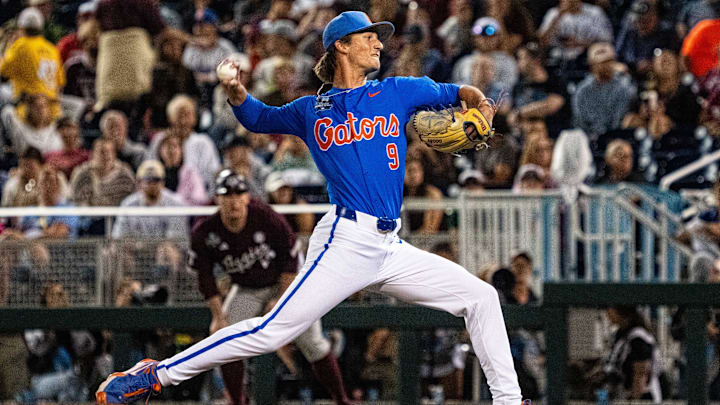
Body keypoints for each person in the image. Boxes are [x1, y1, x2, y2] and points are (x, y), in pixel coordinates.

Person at [96, 11, 523, 405]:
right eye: (369, 37)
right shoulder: (310, 110)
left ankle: (508, 400)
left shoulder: (398, 90)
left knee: (482, 297)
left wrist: (481, 106)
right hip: (346, 241)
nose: (378, 44)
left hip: (391, 247)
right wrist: (235, 89)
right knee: (271, 331)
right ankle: (155, 375)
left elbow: (460, 92)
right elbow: (258, 118)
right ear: (341, 45)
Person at [182, 169, 353, 404]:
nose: (233, 201)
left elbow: (292, 260)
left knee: (314, 343)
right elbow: (205, 276)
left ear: (247, 197)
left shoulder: (265, 216)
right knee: (224, 338)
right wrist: (217, 315)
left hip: (289, 284)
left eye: (238, 194)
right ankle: (237, 400)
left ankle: (341, 399)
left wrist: (281, 300)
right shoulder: (206, 231)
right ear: (218, 199)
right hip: (247, 288)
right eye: (227, 195)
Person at [572, 43, 636, 139]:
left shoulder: (624, 87)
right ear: (592, 65)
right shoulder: (582, 91)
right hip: (588, 138)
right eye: (602, 62)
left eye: (609, 61)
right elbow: (580, 120)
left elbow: (619, 119)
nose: (607, 66)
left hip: (616, 136)